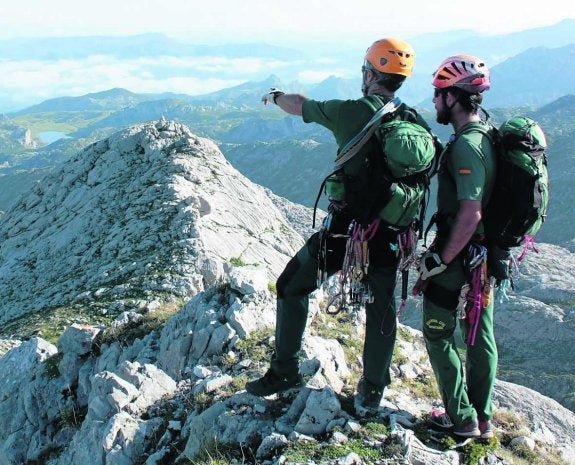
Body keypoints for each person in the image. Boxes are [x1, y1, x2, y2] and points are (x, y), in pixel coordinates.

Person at [245, 38, 436, 413]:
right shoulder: (413, 120)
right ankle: (372, 391)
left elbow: (298, 105)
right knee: (381, 311)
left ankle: (285, 370)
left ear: (370, 73)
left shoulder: (352, 112)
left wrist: (276, 94)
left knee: (292, 284)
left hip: (348, 232)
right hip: (394, 234)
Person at [416, 54, 497, 438]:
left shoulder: (467, 146)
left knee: (436, 331)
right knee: (479, 334)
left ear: (454, 97)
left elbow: (470, 214)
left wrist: (438, 259)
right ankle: (482, 418)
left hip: (461, 256)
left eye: (438, 93)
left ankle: (461, 418)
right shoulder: (488, 135)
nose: (433, 99)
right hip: (486, 258)